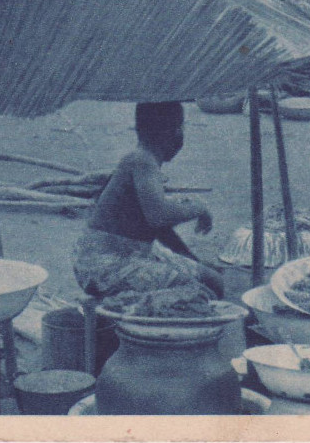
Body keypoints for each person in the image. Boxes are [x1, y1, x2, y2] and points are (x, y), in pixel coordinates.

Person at [72, 102, 225, 299]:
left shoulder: (143, 161)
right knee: (200, 294)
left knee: (212, 279)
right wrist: (199, 208)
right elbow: (158, 217)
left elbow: (160, 230)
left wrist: (192, 260)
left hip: (121, 256)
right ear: (173, 132)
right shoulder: (142, 161)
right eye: (181, 127)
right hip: (105, 264)